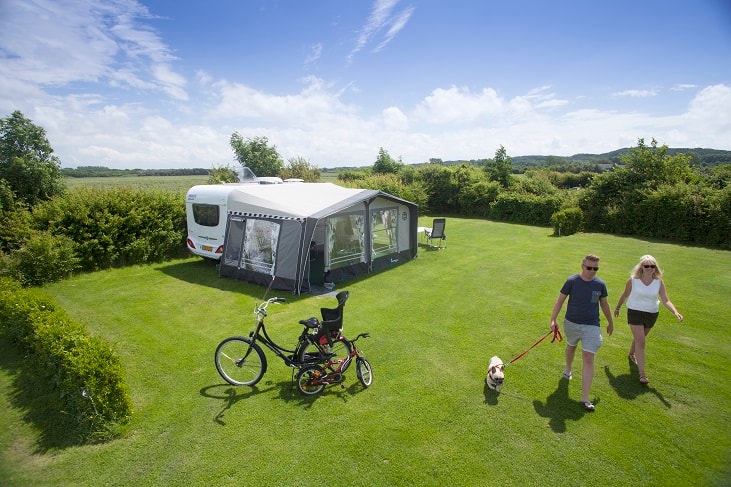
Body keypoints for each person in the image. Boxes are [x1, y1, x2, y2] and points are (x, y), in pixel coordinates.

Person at [550, 254, 614, 412]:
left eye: (595, 269)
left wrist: (610, 322)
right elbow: (560, 301)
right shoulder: (572, 281)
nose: (592, 271)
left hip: (592, 325)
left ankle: (585, 398)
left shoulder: (600, 285)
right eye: (589, 268)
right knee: (571, 346)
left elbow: (604, 305)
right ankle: (568, 369)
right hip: (571, 323)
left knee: (588, 356)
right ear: (582, 266)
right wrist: (553, 320)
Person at [613, 255, 683, 385]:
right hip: (635, 312)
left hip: (651, 314)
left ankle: (631, 353)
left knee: (640, 338)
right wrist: (617, 308)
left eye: (653, 266)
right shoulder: (633, 281)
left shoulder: (659, 282)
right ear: (641, 267)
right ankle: (642, 374)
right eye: (647, 266)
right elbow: (625, 295)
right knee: (641, 341)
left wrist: (675, 312)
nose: (650, 268)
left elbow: (665, 300)